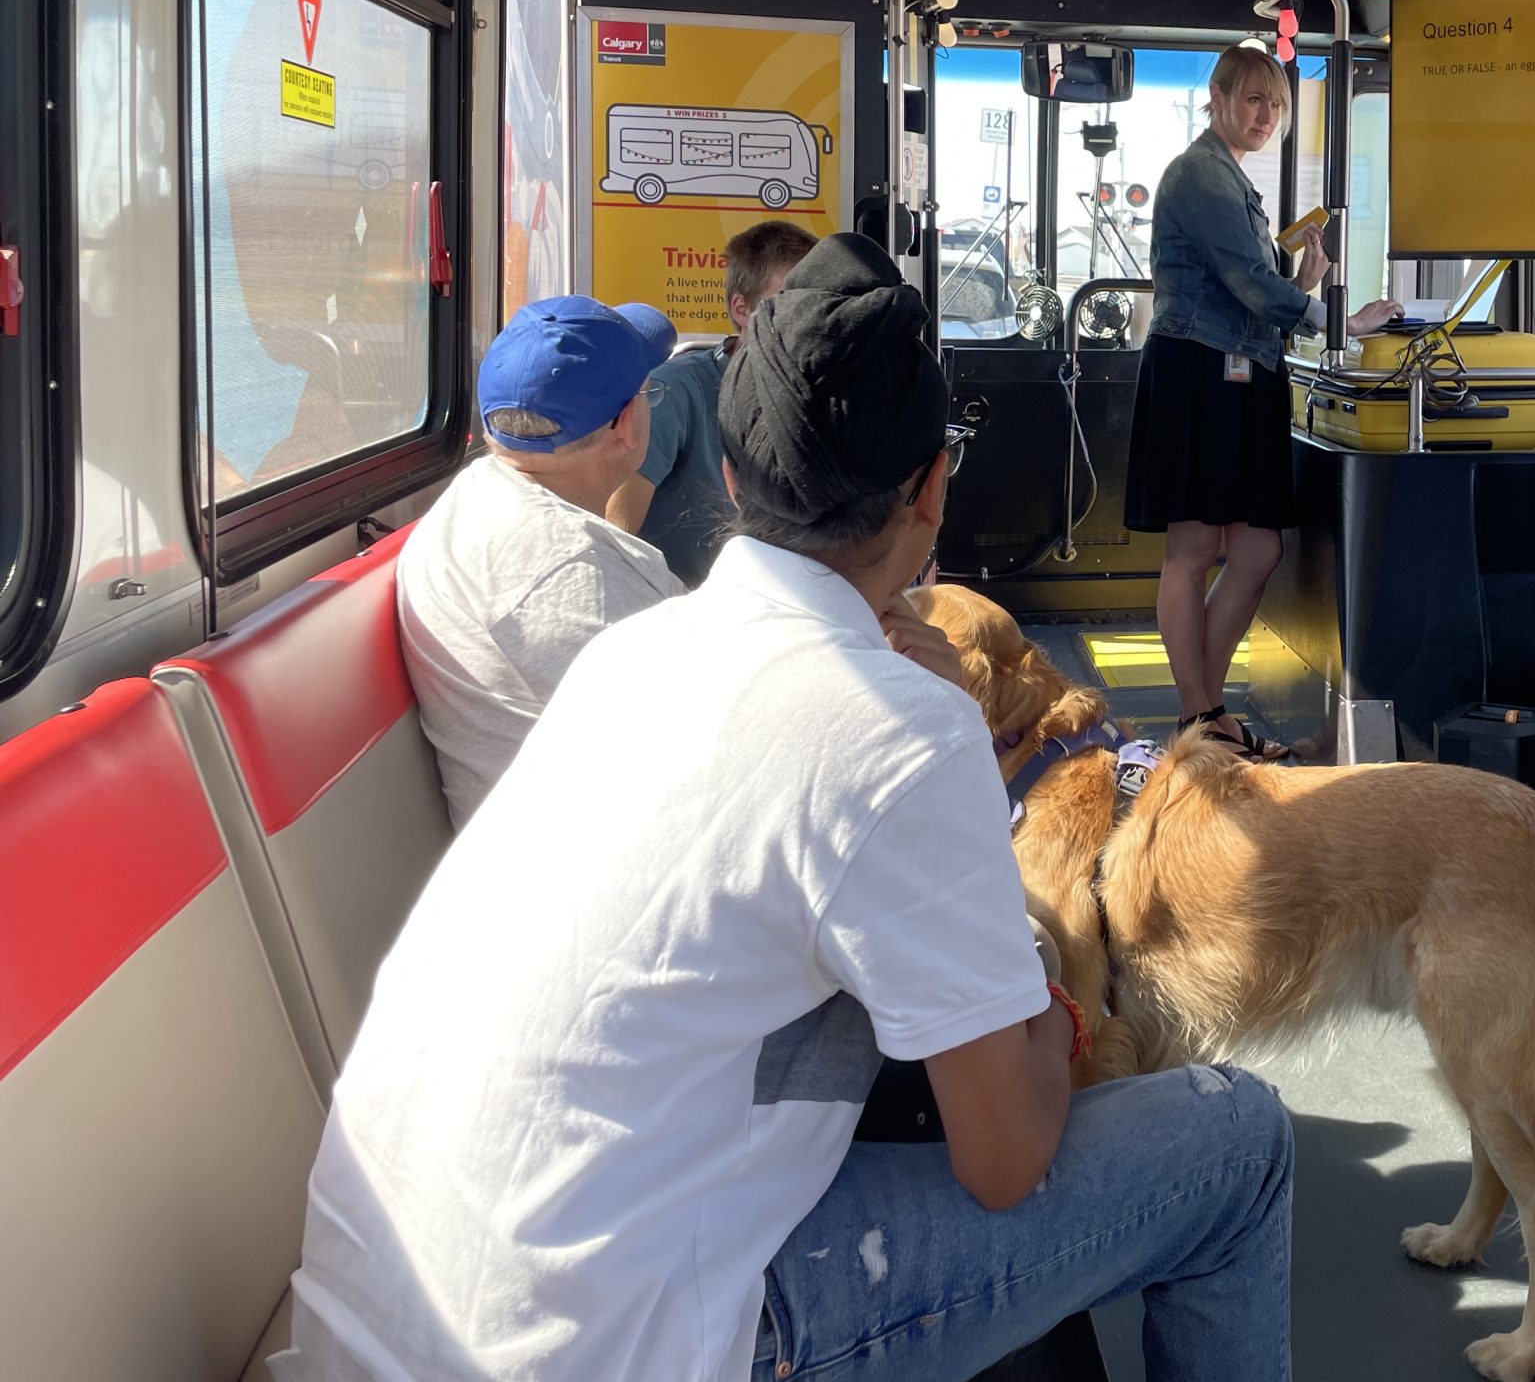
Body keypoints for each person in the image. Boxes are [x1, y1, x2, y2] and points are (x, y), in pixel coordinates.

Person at [275, 233, 1296, 1382]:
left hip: (381, 1317)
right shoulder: (903, 728)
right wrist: (1058, 1023)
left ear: (725, 476)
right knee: (1236, 1140)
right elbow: (1005, 1161)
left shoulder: (633, 652)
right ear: (930, 489)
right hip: (610, 1345)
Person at [1126, 42, 1400, 751]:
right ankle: (1199, 717)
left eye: (1275, 103)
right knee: (1193, 547)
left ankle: (1203, 712)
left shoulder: (1234, 181)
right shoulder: (1198, 174)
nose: (1265, 114)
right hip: (1196, 370)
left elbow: (1251, 288)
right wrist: (1334, 317)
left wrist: (1302, 280)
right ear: (1215, 99)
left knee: (1257, 552)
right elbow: (1249, 280)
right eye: (1252, 98)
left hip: (1241, 374)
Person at [396, 295, 683, 827]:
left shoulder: (483, 493)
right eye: (648, 392)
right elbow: (708, 735)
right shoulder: (568, 576)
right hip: (604, 872)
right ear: (626, 424)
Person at [608, 219, 817, 583]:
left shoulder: (821, 400)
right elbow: (617, 536)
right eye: (788, 303)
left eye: (817, 304)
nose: (807, 320)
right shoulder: (675, 391)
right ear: (741, 310)